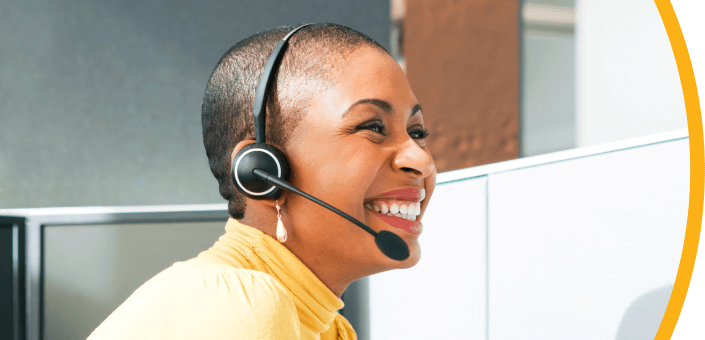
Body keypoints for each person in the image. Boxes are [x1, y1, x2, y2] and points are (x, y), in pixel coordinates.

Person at [87, 23, 436, 340]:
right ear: (263, 172)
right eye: (373, 127)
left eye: (417, 132)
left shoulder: (329, 328)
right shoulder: (239, 307)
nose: (421, 160)